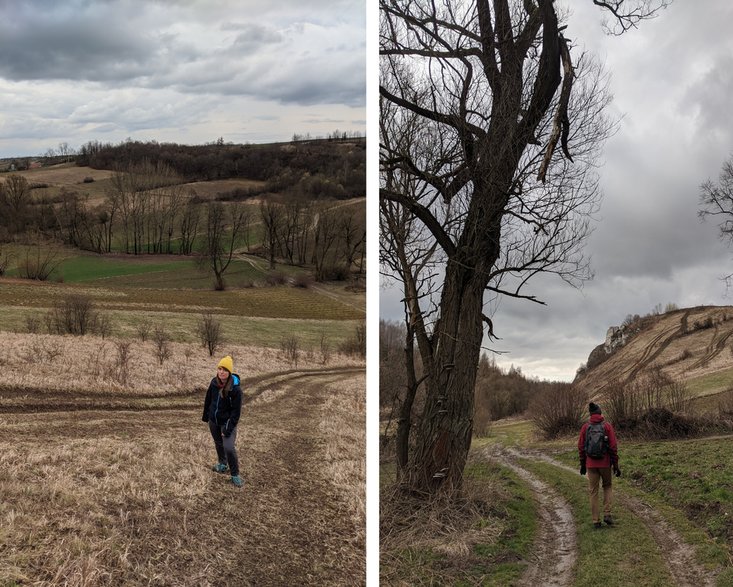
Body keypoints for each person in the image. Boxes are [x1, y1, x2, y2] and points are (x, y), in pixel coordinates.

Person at [202, 355, 243, 488]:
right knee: (218, 443)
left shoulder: (235, 389)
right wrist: (206, 416)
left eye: (225, 369)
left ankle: (235, 474)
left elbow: (236, 413)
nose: (221, 372)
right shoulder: (214, 382)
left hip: (227, 422)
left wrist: (228, 428)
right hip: (213, 420)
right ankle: (222, 464)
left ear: (229, 372)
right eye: (220, 369)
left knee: (229, 447)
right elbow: (208, 399)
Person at [578, 402, 620, 528]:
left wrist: (583, 464)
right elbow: (613, 447)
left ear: (590, 414)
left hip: (590, 464)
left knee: (593, 491)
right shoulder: (607, 426)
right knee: (607, 486)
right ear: (600, 413)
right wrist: (616, 464)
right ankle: (607, 514)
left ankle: (596, 521)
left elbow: (580, 447)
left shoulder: (585, 427)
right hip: (605, 463)